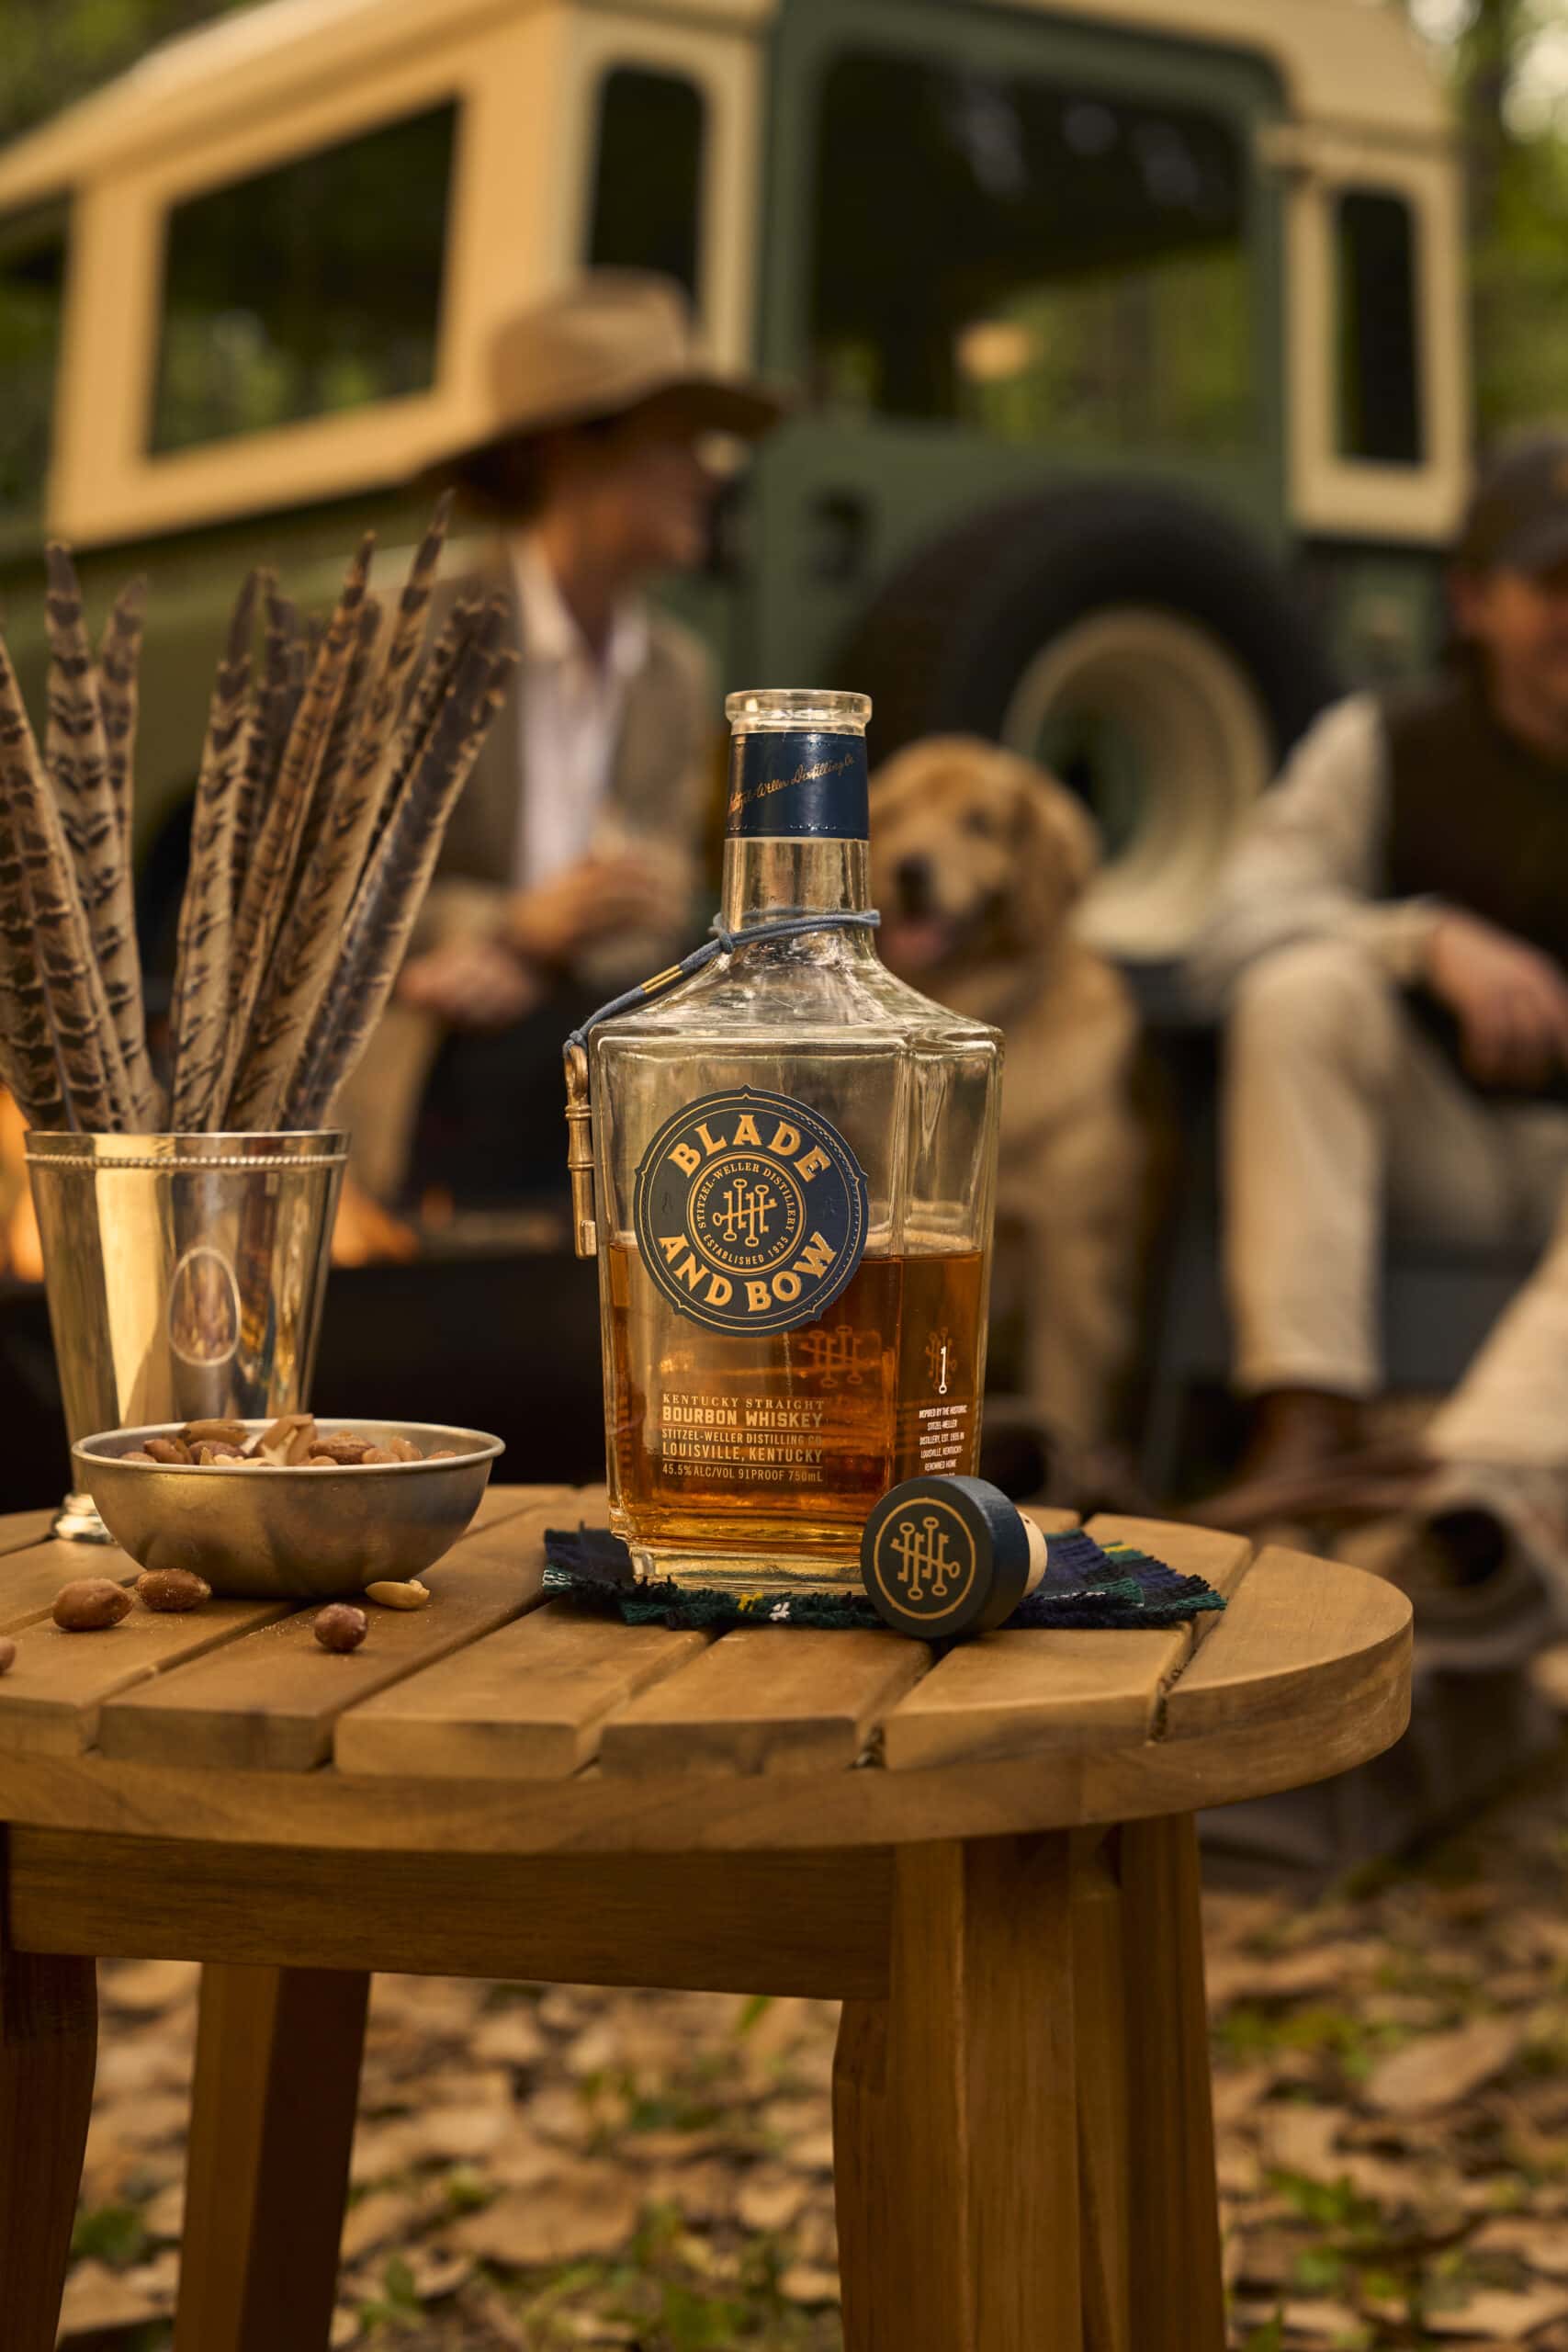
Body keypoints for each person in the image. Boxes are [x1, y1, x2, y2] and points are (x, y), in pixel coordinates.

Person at [1189, 433, 1568, 1645]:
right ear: (1471, 600)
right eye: (1553, 587)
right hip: (1442, 1151)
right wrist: (1419, 942)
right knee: (1301, 989)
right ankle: (1306, 1427)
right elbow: (1224, 933)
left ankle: (1456, 1495)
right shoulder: (1382, 746)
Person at [343, 270, 784, 1211]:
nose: (708, 472)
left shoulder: (675, 672)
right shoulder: (412, 637)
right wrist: (506, 925)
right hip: (431, 1060)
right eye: (677, 439)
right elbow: (335, 890)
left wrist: (539, 949)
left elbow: (661, 916)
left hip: (597, 1041)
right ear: (568, 450)